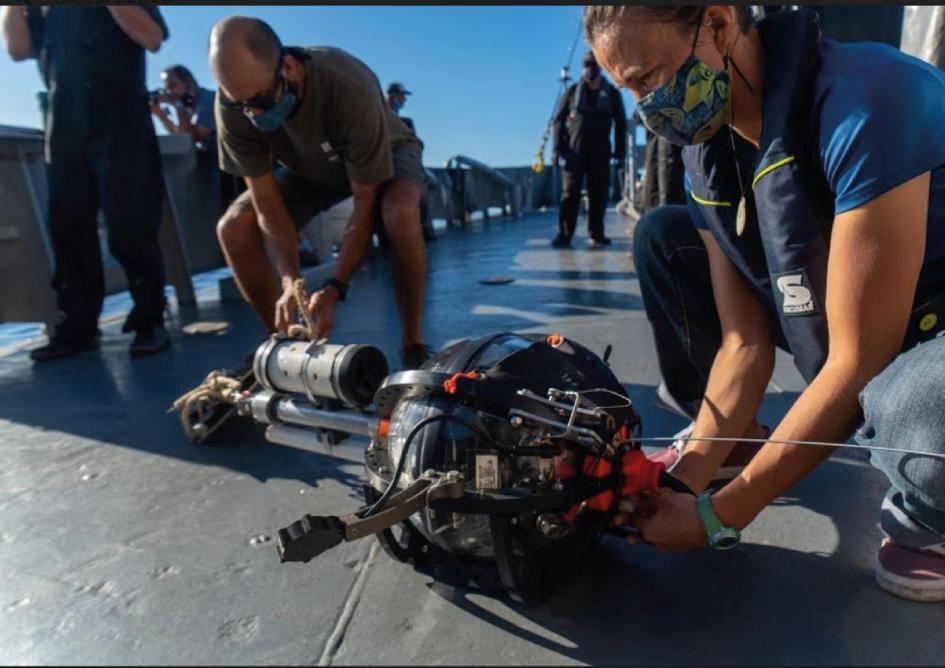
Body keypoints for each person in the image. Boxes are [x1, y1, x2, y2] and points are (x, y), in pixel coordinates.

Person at [585, 4, 945, 602]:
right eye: (630, 90)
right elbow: (743, 342)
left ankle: (927, 519)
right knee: (664, 238)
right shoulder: (710, 154)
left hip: (921, 329)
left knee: (922, 406)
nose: (645, 108)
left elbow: (857, 362)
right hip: (839, 316)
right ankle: (741, 439)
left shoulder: (868, 100)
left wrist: (722, 514)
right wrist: (686, 479)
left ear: (720, 25)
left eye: (648, 78)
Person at [208, 17, 432, 369]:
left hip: (384, 153)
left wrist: (334, 287)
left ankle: (413, 344)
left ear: (288, 67)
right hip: (310, 167)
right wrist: (290, 282)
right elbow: (268, 207)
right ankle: (284, 348)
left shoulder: (346, 85)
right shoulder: (233, 106)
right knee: (234, 228)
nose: (252, 113)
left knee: (399, 212)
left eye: (261, 101)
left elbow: (365, 204)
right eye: (241, 105)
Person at [2, 5, 171, 360]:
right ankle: (77, 327)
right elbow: (18, 50)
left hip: (120, 111)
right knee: (68, 225)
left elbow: (152, 38)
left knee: (130, 219)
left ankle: (149, 319)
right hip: (64, 117)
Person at [551, 50, 627, 249]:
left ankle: (597, 234)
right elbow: (558, 121)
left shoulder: (612, 94)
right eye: (586, 64)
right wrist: (557, 149)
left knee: (599, 194)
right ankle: (565, 234)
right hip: (574, 152)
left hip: (601, 153)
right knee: (569, 194)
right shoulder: (573, 91)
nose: (590, 69)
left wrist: (620, 153)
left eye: (593, 65)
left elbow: (621, 125)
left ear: (601, 67)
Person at [150, 64, 217, 152]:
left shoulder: (209, 101)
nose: (169, 92)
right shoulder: (189, 105)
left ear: (188, 81)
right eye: (167, 89)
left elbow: (190, 139)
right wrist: (161, 115)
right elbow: (179, 136)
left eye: (172, 85)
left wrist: (178, 106)